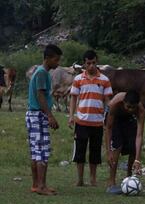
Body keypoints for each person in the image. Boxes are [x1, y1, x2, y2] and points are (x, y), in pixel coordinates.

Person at [68, 50, 113, 186]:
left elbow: (108, 101)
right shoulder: (78, 79)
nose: (91, 66)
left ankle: (93, 179)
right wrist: (71, 116)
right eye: (88, 63)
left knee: (95, 152)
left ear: (97, 62)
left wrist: (109, 118)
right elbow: (73, 98)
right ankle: (80, 179)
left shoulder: (104, 80)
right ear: (84, 64)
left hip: (97, 122)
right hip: (81, 121)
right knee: (80, 151)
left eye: (94, 63)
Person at [25, 44, 62, 195]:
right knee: (42, 151)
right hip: (38, 115)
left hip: (32, 115)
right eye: (56, 60)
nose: (58, 63)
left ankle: (36, 184)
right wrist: (50, 115)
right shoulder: (42, 73)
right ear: (47, 58)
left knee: (35, 152)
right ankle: (41, 186)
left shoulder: (40, 72)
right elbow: (41, 95)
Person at [104, 90, 145, 194]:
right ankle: (111, 183)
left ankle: (129, 178)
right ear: (123, 103)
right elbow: (108, 128)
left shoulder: (141, 111)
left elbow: (139, 135)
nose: (130, 110)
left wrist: (137, 159)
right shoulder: (115, 105)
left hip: (129, 120)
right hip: (115, 119)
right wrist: (108, 151)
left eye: (133, 107)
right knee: (117, 146)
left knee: (133, 147)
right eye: (128, 107)